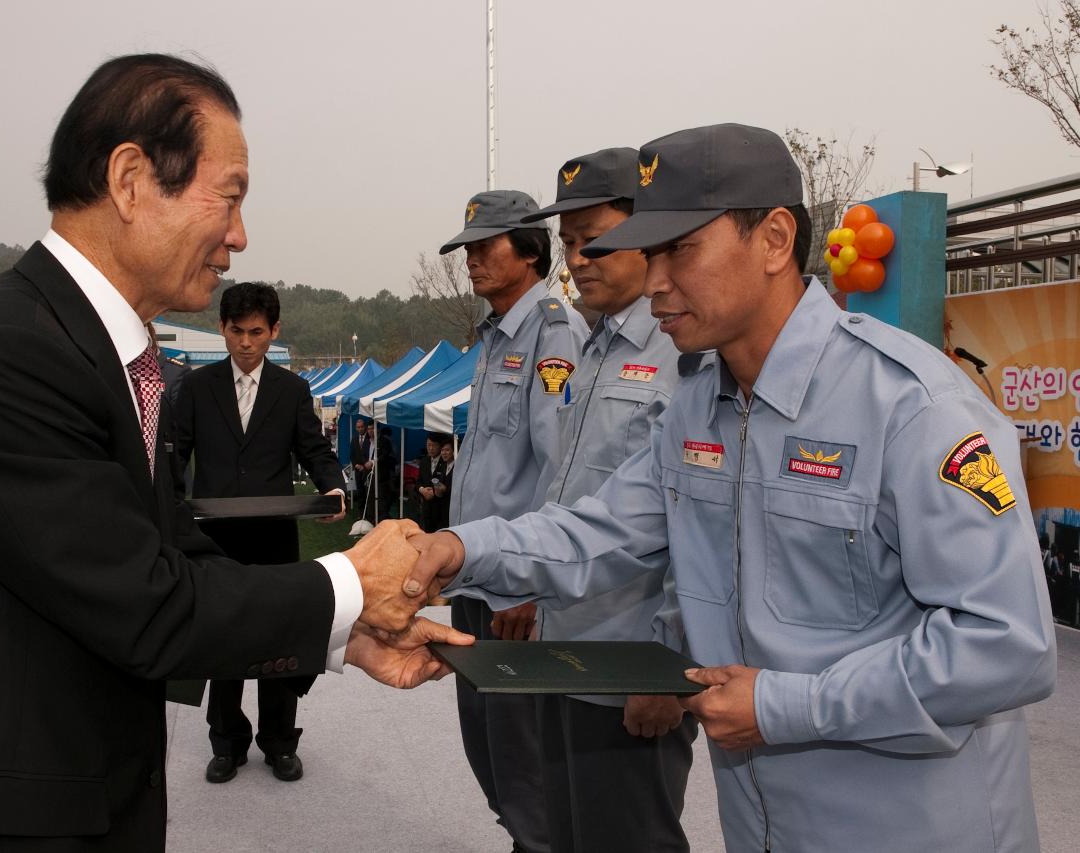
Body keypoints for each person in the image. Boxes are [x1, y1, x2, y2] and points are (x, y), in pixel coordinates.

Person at [0, 54, 467, 853]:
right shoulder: (5, 358)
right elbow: (149, 604)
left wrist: (348, 630)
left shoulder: (93, 351)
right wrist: (350, 579)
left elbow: (170, 552)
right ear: (130, 179)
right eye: (228, 197)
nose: (239, 235)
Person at [405, 124, 1057, 852]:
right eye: (650, 253)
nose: (655, 282)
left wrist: (787, 704)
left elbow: (1009, 644)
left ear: (775, 239)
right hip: (763, 825)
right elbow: (599, 528)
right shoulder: (696, 404)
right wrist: (455, 547)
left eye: (681, 249)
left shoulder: (911, 407)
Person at [517, 146, 697, 852]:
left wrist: (667, 666)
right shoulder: (591, 347)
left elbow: (697, 527)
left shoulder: (685, 353)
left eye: (594, 238)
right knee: (565, 833)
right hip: (564, 651)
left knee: (630, 837)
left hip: (629, 667)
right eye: (567, 243)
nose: (578, 258)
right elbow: (566, 495)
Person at [438, 189, 589, 853]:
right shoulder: (496, 334)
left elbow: (561, 470)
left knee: (522, 752)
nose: (471, 258)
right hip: (476, 575)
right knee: (488, 745)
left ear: (529, 252)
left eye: (485, 245)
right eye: (468, 246)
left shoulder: (553, 333)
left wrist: (533, 583)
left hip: (513, 590)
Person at [174, 282, 347, 785]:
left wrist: (332, 487)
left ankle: (278, 742)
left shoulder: (292, 391)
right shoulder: (198, 387)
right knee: (222, 640)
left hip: (275, 540)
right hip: (214, 541)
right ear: (221, 329)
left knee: (279, 641)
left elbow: (314, 449)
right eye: (236, 331)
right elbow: (177, 452)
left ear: (274, 331)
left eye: (256, 332)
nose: (246, 343)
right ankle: (226, 743)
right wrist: (165, 507)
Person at [350, 417, 373, 513]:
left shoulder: (370, 439)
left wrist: (364, 466)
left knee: (368, 492)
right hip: (357, 470)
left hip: (367, 470)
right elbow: (352, 455)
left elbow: (371, 454)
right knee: (360, 492)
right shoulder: (354, 440)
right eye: (358, 427)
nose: (360, 429)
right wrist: (356, 465)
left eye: (362, 427)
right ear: (356, 428)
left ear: (365, 427)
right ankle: (361, 513)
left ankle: (368, 513)